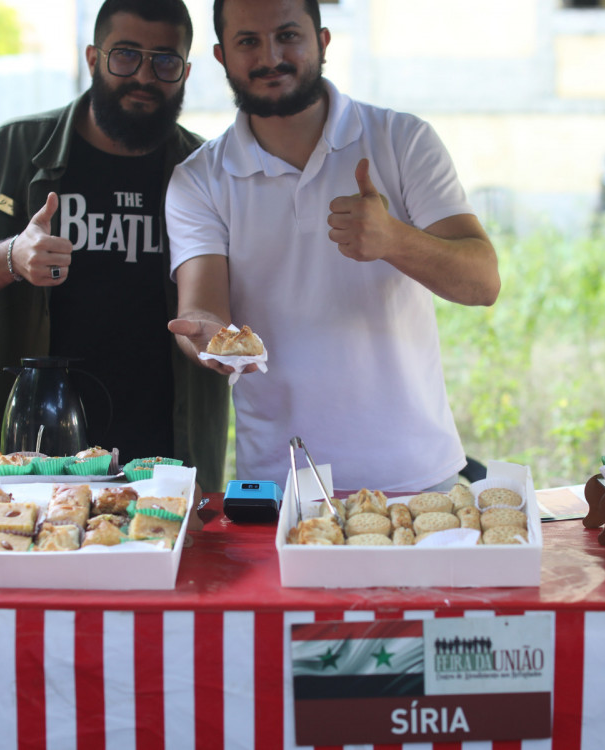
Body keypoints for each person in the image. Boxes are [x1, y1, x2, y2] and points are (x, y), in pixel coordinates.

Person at [164, 0, 500, 493]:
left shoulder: (402, 140)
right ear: (221, 57)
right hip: (284, 484)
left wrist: (394, 239)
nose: (270, 56)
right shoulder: (199, 179)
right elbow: (201, 309)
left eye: (288, 36)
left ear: (322, 40)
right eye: (248, 41)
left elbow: (483, 282)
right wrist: (209, 339)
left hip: (417, 476)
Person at [0, 0, 229, 492]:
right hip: (22, 463)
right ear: (92, 58)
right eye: (125, 55)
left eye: (164, 61)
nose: (144, 75)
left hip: (163, 465)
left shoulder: (206, 172)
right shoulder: (11, 152)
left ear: (185, 72)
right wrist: (11, 257)